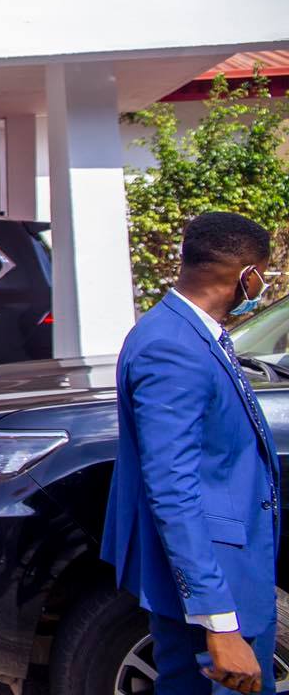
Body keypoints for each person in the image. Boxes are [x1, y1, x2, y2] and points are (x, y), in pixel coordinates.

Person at [103, 212, 280, 695]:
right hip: (213, 589)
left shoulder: (187, 331)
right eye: (264, 275)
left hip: (227, 572)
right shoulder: (172, 347)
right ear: (247, 276)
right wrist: (220, 622)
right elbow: (172, 490)